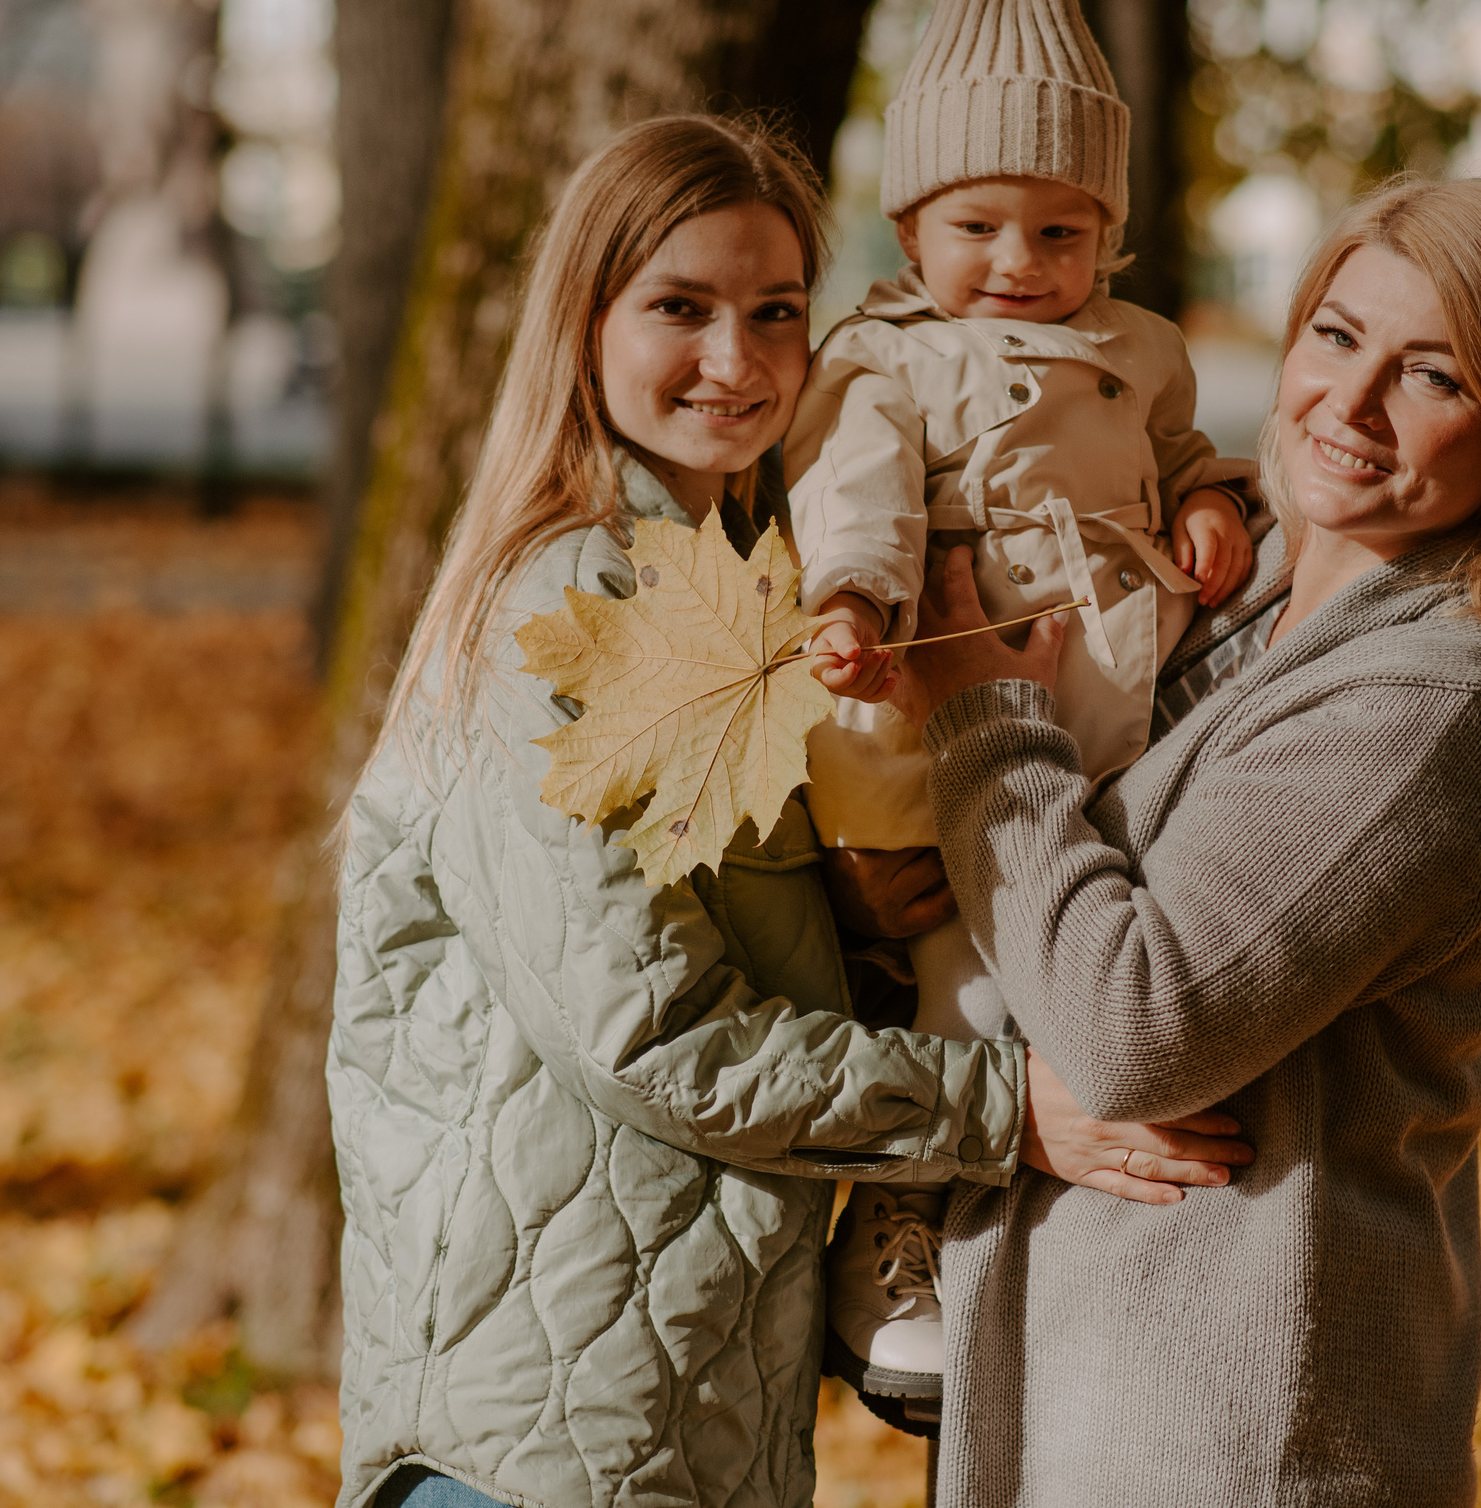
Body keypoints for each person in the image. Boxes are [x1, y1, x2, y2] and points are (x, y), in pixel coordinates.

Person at [325, 113, 1252, 1508]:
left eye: (775, 312)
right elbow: (656, 1034)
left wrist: (853, 909)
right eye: (680, 309)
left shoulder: (737, 589)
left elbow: (686, 941)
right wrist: (1009, 1107)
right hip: (540, 1436)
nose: (739, 360)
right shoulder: (564, 612)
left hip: (685, 1404)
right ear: (584, 321)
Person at [902, 176, 1481, 1506]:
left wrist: (983, 728)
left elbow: (1133, 1026)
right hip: (1090, 1401)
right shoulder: (1225, 602)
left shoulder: (1431, 710)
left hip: (1239, 1440)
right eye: (1338, 336)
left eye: (1432, 377)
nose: (1354, 403)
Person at [783, 0, 1255, 1397]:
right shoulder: (884, 361)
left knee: (1092, 967)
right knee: (966, 985)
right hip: (931, 709)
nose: (1020, 262)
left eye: (1061, 229)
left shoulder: (1145, 346)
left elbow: (1185, 451)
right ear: (912, 226)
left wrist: (1209, 503)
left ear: (1107, 233)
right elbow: (850, 496)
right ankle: (897, 1235)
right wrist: (854, 601)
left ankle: (1063, 1237)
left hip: (1107, 717)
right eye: (978, 225)